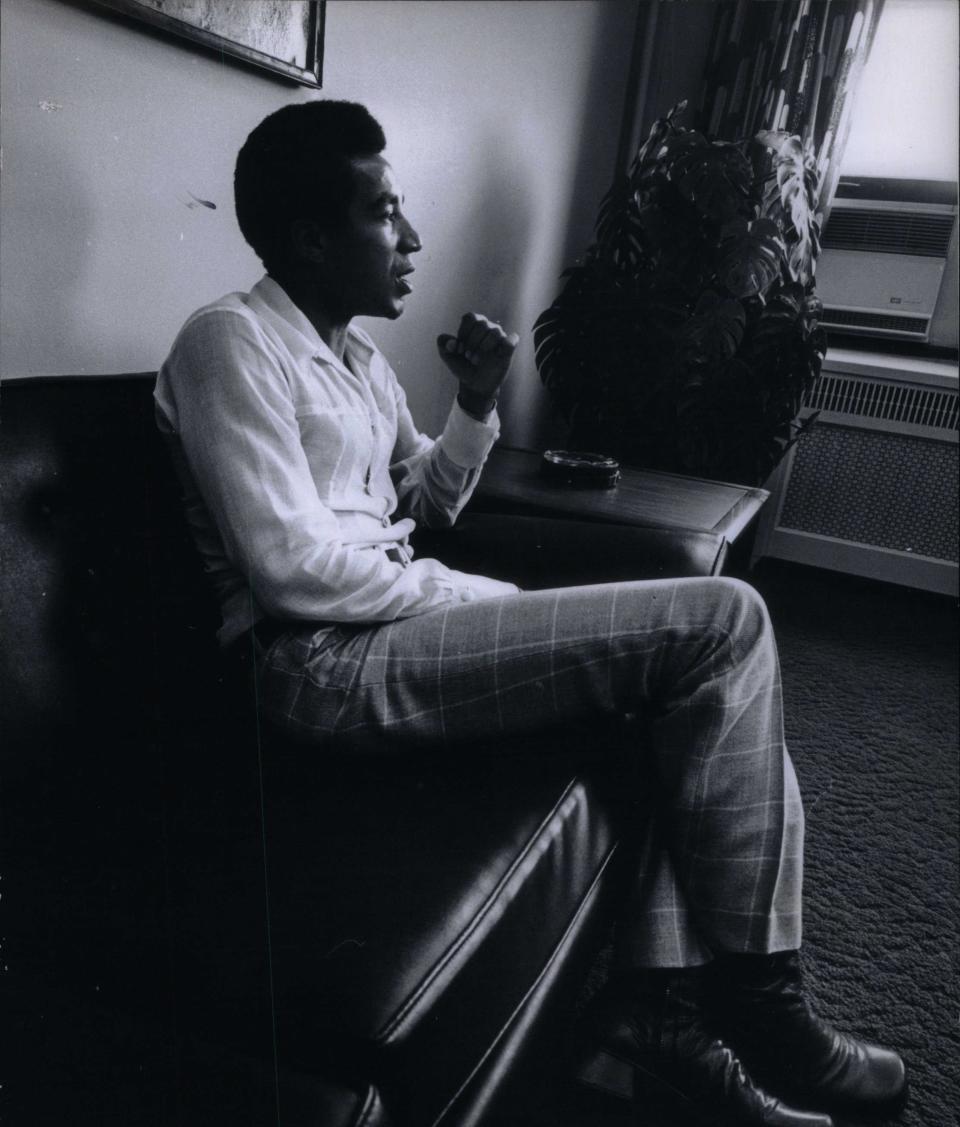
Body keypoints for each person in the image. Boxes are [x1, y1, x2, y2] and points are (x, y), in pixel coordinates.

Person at [154, 100, 906, 1126]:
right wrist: (469, 594)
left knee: (675, 692)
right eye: (384, 211)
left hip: (385, 630)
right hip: (316, 665)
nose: (411, 235)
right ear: (308, 238)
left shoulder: (361, 364)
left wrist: (472, 401)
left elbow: (425, 504)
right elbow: (288, 568)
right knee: (725, 621)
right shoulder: (227, 342)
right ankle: (762, 1002)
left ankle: (656, 1017)